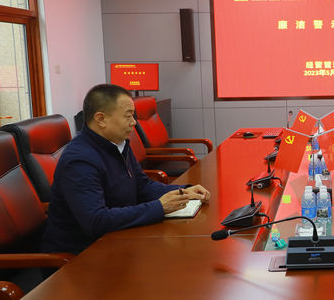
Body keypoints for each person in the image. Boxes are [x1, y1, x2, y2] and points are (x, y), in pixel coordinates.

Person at [42, 84, 210, 254]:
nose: (134, 122)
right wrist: (159, 207)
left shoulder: (116, 144)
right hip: (80, 255)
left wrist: (184, 191)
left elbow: (142, 186)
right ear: (101, 119)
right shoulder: (80, 160)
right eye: (128, 116)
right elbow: (96, 221)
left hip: (116, 239)